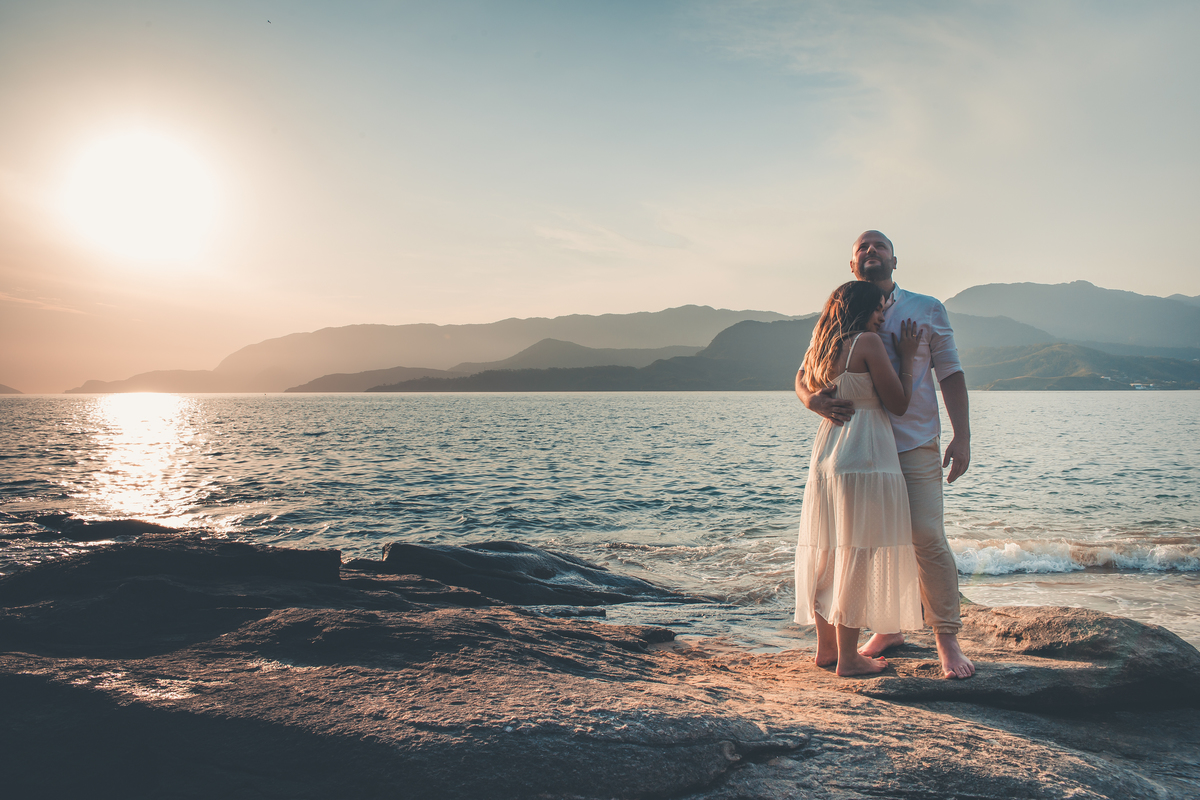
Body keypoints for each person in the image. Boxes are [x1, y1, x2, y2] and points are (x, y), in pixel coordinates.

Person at [795, 230, 975, 680]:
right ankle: (887, 629)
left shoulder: (926, 308)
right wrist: (812, 400)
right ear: (852, 264)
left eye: (880, 245)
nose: (871, 250)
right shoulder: (837, 314)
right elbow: (803, 373)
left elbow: (950, 372)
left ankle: (946, 640)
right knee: (858, 545)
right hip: (859, 449)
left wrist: (963, 436)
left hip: (910, 443)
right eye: (863, 246)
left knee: (925, 537)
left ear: (895, 260)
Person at [794, 281, 924, 676]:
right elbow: (898, 403)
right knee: (858, 553)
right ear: (862, 308)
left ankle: (827, 650)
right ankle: (849, 658)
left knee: (829, 552)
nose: (882, 316)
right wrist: (907, 357)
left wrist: (811, 399)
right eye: (879, 308)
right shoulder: (867, 342)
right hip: (864, 454)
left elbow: (799, 379)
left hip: (828, 455)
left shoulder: (821, 346)